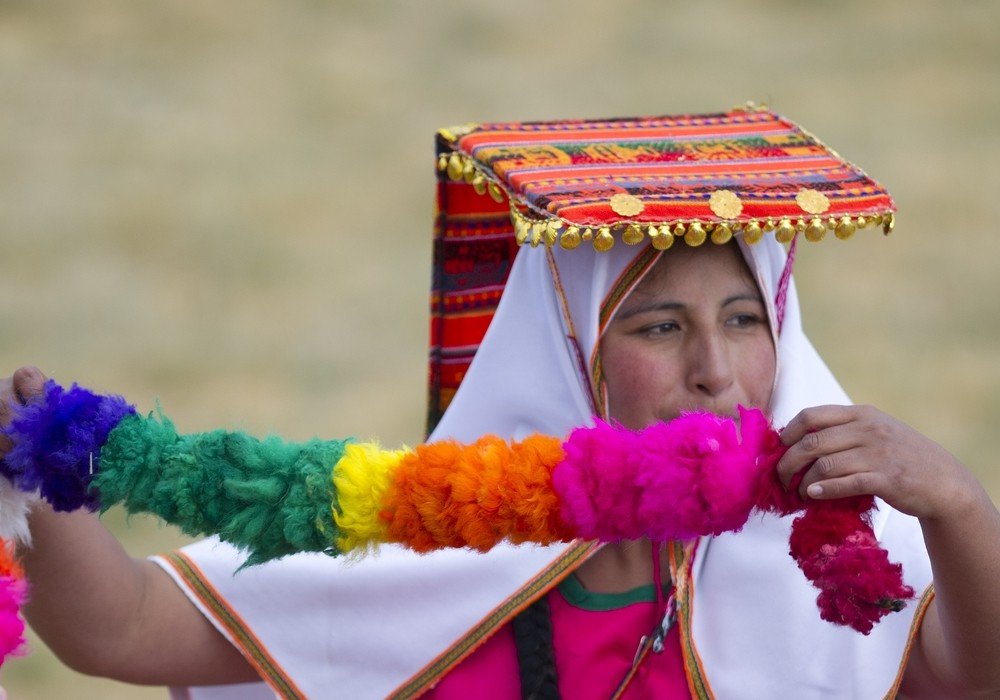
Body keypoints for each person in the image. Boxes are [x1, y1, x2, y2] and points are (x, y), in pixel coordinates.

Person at [2, 108, 1000, 699]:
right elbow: (120, 628)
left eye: (744, 319)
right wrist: (32, 447)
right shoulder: (428, 537)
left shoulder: (836, 561)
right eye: (658, 329)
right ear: (574, 357)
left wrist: (955, 505)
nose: (714, 368)